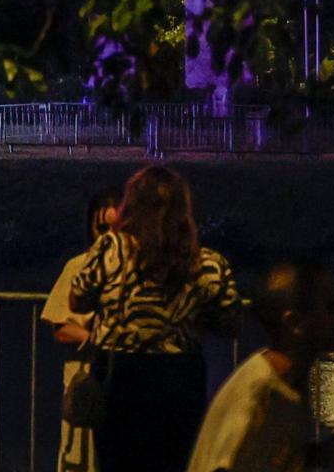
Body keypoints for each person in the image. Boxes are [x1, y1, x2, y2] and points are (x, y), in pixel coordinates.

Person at [70, 164, 239, 472]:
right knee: (174, 461)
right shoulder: (209, 263)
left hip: (120, 371)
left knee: (117, 460)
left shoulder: (112, 248)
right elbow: (230, 322)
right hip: (180, 375)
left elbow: (78, 299)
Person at [194, 258, 334, 472]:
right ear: (295, 323)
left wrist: (320, 456)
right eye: (331, 307)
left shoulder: (283, 385)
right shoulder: (262, 394)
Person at [35, 192, 114, 472]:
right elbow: (60, 326)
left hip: (123, 386)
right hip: (84, 385)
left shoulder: (139, 270)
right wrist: (95, 339)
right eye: (101, 229)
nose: (108, 238)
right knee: (78, 458)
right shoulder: (78, 267)